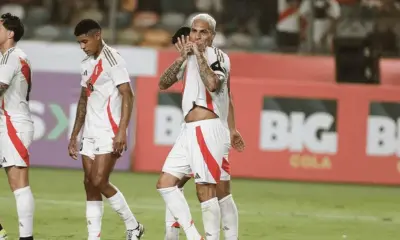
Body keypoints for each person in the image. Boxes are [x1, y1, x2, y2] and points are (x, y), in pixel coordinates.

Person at [156, 13, 237, 240]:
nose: (197, 36)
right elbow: (163, 83)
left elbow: (214, 84)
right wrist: (181, 58)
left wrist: (198, 54)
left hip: (208, 127)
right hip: (188, 130)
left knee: (209, 190)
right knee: (166, 183)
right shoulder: (188, 57)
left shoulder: (218, 56)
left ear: (211, 35)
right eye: (194, 31)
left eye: (203, 32)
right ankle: (193, 235)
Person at [68, 19, 144, 240]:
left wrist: (122, 131)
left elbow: (128, 94)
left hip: (109, 130)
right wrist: (74, 134)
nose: (82, 46)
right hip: (89, 131)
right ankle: (94, 237)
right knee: (89, 182)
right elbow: (83, 100)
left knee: (100, 180)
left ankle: (133, 226)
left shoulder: (113, 59)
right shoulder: (85, 63)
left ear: (97, 35)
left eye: (85, 41)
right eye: (79, 43)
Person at [0, 13, 35, 240]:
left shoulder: (12, 56)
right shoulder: (9, 56)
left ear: (10, 33)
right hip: (6, 122)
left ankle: (26, 237)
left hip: (13, 124)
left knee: (18, 183)